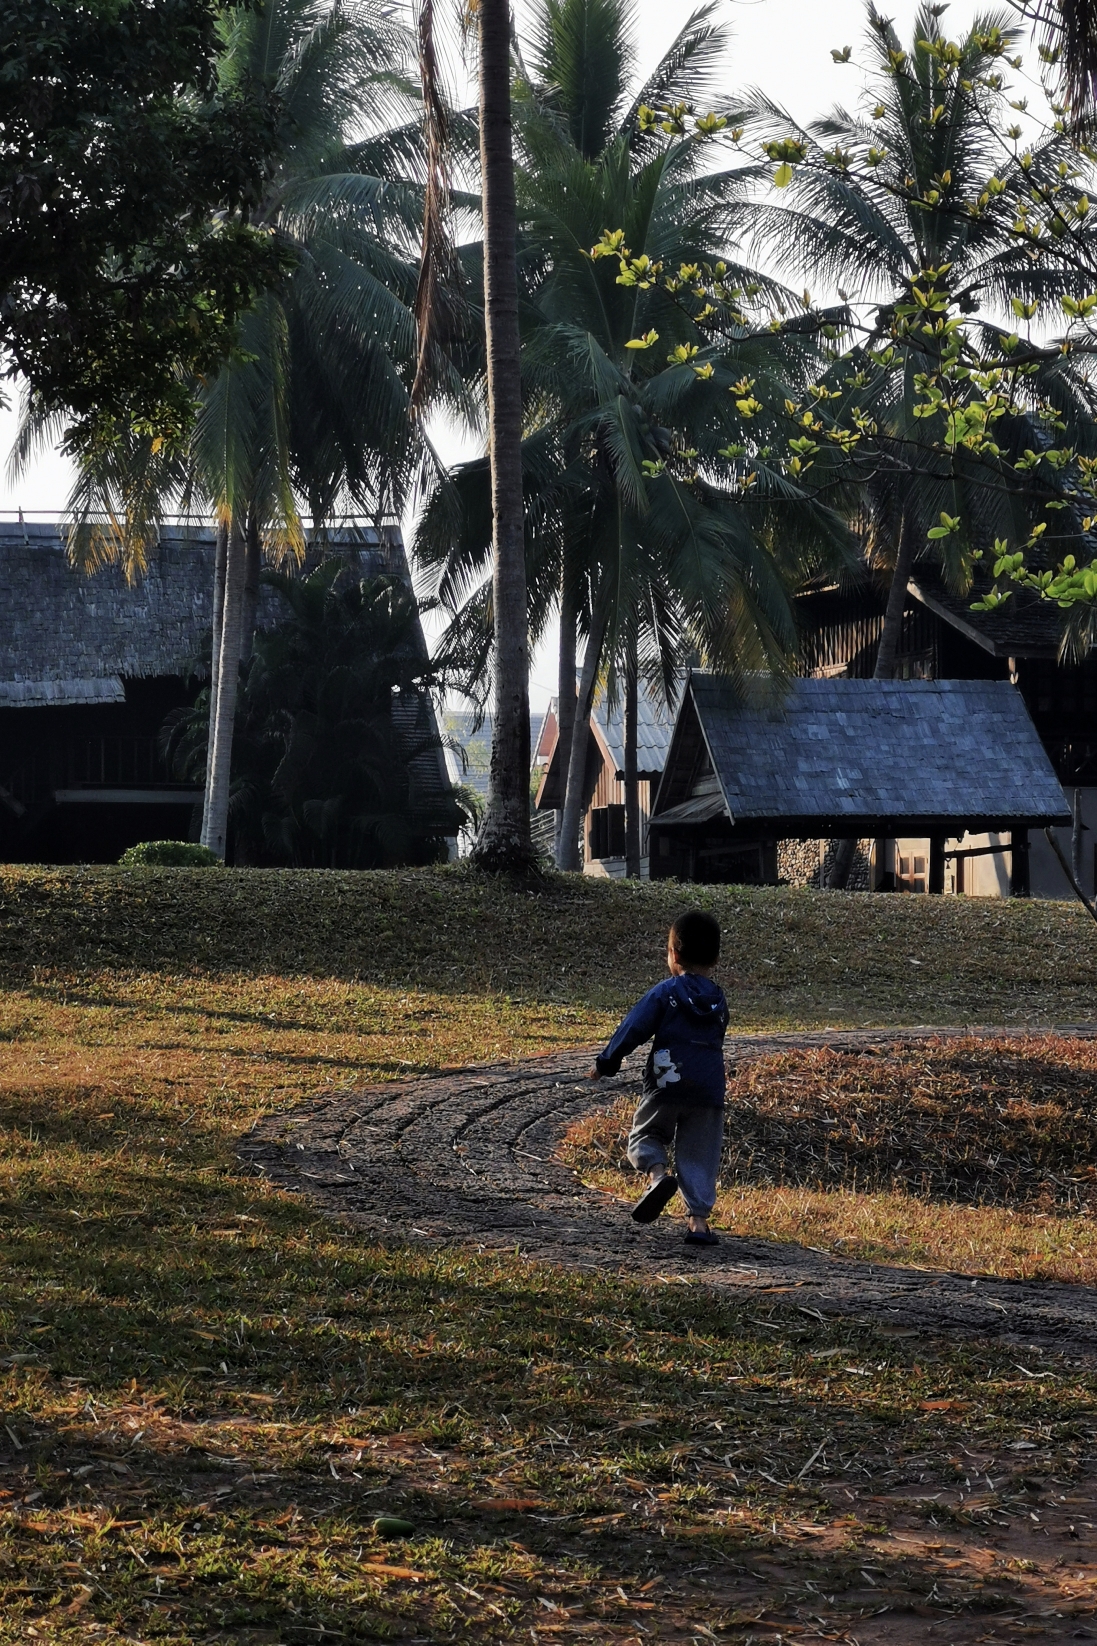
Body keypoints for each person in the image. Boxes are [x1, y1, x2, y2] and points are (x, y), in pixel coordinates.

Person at [590, 909, 728, 1246]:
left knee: (645, 1135)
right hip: (709, 1089)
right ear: (715, 958)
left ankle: (656, 1176)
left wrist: (607, 1062)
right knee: (699, 1153)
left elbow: (633, 1028)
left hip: (667, 1081)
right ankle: (697, 1223)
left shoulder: (665, 993)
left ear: (674, 954)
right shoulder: (719, 1000)